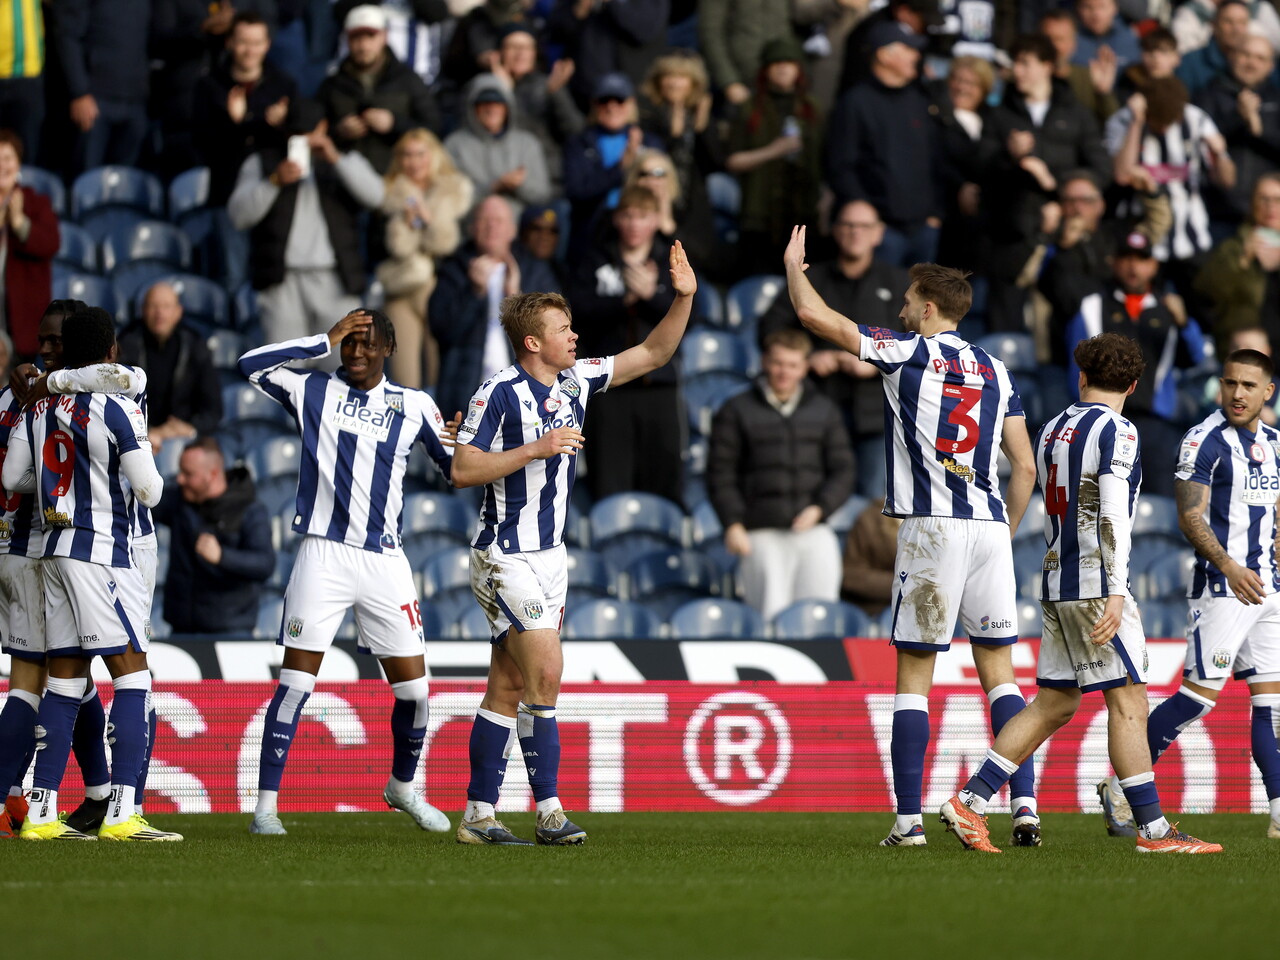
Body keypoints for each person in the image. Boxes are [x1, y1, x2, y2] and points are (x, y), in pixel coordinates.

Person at [783, 225, 1042, 848]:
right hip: (988, 528)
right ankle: (1025, 807)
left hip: (931, 529)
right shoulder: (997, 370)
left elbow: (815, 316)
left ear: (928, 308)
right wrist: (1003, 528)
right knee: (1001, 675)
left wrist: (795, 267)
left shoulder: (906, 352)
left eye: (906, 300)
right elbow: (1026, 466)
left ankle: (908, 824)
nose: (899, 308)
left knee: (914, 676)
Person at [938, 333, 1222, 855]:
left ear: (1082, 377)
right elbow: (1112, 511)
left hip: (1054, 579)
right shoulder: (1120, 431)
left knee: (1054, 703)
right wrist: (1116, 592)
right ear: (1134, 385)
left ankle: (969, 802)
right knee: (1130, 703)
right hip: (1096, 584)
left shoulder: (1052, 429)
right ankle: (1155, 832)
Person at [451, 242, 696, 845]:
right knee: (549, 671)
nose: (574, 336)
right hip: (503, 553)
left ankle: (478, 816)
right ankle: (551, 811)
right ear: (532, 342)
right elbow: (462, 468)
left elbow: (656, 351)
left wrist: (684, 295)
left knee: (507, 686)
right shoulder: (498, 392)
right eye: (562, 329)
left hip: (550, 557)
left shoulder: (578, 380)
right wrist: (534, 448)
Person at [237, 308, 454, 836]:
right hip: (323, 554)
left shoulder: (414, 405)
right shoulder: (312, 388)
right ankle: (265, 808)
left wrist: (487, 440)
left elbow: (457, 468)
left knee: (417, 693)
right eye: (349, 343)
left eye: (366, 344)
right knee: (294, 683)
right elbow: (249, 363)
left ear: (388, 349)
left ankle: (402, 787)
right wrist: (322, 339)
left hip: (385, 561)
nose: (355, 352)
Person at [2, 307, 176, 841]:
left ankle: (41, 812)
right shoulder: (117, 407)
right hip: (102, 552)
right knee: (133, 674)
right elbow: (150, 491)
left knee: (66, 678)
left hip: (48, 550)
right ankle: (123, 813)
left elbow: (13, 477)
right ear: (111, 350)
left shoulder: (33, 408)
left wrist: (65, 481)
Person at [1096, 345, 1280, 839]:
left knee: (1273, 706)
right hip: (1222, 588)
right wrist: (1229, 565)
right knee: (1199, 699)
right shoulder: (1203, 440)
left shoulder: (1276, 444)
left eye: (1248, 385)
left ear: (1268, 391)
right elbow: (1190, 515)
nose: (1237, 393)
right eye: (1229, 383)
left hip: (1269, 590)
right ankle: (1120, 787)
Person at [757, 200, 908, 497]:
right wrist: (807, 358)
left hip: (878, 416)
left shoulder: (900, 282)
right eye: (848, 225)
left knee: (873, 507)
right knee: (815, 499)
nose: (855, 232)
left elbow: (922, 343)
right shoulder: (811, 279)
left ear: (879, 234)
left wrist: (880, 361)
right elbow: (770, 330)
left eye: (864, 226)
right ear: (835, 231)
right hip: (816, 410)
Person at [708, 328, 854, 621]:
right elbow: (720, 473)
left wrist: (820, 508)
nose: (783, 372)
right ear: (764, 362)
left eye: (792, 365)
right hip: (759, 532)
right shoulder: (736, 410)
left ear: (804, 367)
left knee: (819, 615)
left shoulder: (824, 410)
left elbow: (844, 469)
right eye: (777, 363)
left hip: (813, 529)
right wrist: (733, 523)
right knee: (767, 615)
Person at [227, 99, 385, 351]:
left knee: (344, 370)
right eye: (295, 133)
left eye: (308, 132)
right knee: (287, 372)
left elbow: (376, 196)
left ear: (323, 127)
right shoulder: (264, 162)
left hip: (335, 279)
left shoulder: (344, 158)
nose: (303, 139)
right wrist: (274, 182)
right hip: (281, 283)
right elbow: (238, 216)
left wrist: (335, 159)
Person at [981, 33, 1110, 332]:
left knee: (1060, 327)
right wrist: (1010, 157)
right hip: (1011, 236)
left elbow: (1100, 170)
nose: (1018, 70)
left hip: (1067, 240)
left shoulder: (1077, 114)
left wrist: (1056, 188)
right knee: (1007, 329)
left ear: (1047, 66)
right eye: (1015, 63)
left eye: (1026, 63)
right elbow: (981, 169)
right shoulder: (1000, 115)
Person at [1066, 231, 1209, 496]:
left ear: (1154, 265)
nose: (1134, 266)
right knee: (1096, 499)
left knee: (1158, 497)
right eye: (1126, 258)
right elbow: (1076, 365)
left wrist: (1184, 323)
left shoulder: (1169, 309)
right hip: (1100, 419)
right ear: (1114, 262)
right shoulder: (1092, 306)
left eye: (1142, 259)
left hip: (1155, 423)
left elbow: (1196, 359)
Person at [565, 185, 684, 503]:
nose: (634, 224)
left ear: (656, 220)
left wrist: (651, 296)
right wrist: (625, 299)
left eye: (642, 216)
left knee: (662, 478)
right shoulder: (594, 259)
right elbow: (576, 311)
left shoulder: (670, 260)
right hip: (608, 386)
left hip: (659, 386)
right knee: (609, 479)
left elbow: (689, 315)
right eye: (627, 215)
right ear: (617, 219)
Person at [192, 11, 297, 294]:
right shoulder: (209, 85)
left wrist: (277, 123)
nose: (249, 50)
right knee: (232, 277)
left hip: (273, 196)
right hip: (226, 196)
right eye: (242, 42)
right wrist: (240, 123)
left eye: (256, 42)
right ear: (229, 43)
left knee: (275, 281)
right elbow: (202, 144)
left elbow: (297, 140)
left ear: (267, 44)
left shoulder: (283, 85)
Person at [430, 195, 561, 420]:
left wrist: (517, 298)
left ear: (512, 230)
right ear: (472, 228)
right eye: (484, 220)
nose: (491, 226)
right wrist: (474, 293)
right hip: (467, 398)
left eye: (499, 220)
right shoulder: (454, 269)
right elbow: (442, 329)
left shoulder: (534, 271)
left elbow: (555, 331)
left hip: (526, 396)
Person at [1107, 77, 1235, 303]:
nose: (1164, 127)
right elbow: (1122, 175)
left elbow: (1227, 180)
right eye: (1158, 121)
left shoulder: (1197, 119)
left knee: (1203, 305)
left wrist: (1221, 154)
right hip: (1143, 237)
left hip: (1191, 235)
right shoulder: (1124, 120)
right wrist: (1136, 123)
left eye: (1171, 121)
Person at [826, 23, 939, 270]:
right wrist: (869, 221)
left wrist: (935, 214)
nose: (916, 56)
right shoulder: (855, 102)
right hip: (880, 233)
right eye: (908, 49)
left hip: (924, 229)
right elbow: (841, 166)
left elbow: (935, 158)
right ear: (884, 55)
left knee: (921, 307)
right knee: (879, 307)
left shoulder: (919, 99)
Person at [377, 128, 474, 389]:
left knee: (440, 371)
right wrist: (406, 226)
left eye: (420, 153)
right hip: (401, 287)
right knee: (403, 375)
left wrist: (428, 222)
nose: (414, 161)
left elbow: (456, 245)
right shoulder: (388, 195)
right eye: (406, 155)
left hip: (442, 287)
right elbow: (380, 247)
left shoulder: (455, 191)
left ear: (433, 155)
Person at [153, 437, 275, 635]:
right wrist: (141, 458)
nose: (180, 479)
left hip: (231, 631)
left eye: (188, 474)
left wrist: (222, 557)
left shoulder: (249, 509)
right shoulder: (179, 499)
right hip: (181, 629)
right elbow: (142, 501)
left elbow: (264, 563)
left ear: (213, 474)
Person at [725, 37, 824, 278]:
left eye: (789, 62)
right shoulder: (749, 108)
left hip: (803, 212)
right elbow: (732, 161)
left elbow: (826, 160)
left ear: (798, 69)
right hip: (758, 215)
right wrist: (774, 150)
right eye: (776, 62)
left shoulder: (812, 108)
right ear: (765, 69)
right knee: (757, 279)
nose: (782, 68)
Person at [317, 4, 440, 175]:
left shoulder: (407, 80)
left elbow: (433, 128)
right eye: (356, 38)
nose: (363, 45)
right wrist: (339, 132)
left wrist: (395, 124)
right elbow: (316, 133)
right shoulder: (333, 84)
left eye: (370, 36)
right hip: (343, 181)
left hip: (396, 177)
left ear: (384, 36)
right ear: (347, 40)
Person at [562, 72, 663, 258]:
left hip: (640, 229)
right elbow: (576, 191)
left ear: (631, 104)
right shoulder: (579, 143)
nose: (611, 107)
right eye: (604, 101)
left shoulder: (649, 142)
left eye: (619, 100)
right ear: (594, 105)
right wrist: (621, 167)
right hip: (592, 229)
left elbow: (664, 188)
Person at [117, 282, 224, 451]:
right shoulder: (125, 345)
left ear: (178, 312)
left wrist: (191, 429)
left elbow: (213, 409)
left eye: (166, 306)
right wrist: (146, 431)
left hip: (186, 439)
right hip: (137, 438)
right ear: (143, 310)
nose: (159, 313)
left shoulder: (195, 345)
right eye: (153, 306)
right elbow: (116, 403)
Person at [52, 0, 152, 175]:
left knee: (127, 184)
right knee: (86, 180)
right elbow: (67, 35)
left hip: (135, 100)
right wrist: (79, 92)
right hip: (94, 101)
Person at [1194, 32, 1280, 232]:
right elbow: (1198, 142)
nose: (1251, 63)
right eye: (1246, 55)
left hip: (1269, 215)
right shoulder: (1208, 93)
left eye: (1260, 58)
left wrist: (1259, 129)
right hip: (1217, 211)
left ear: (1271, 66)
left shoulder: (1277, 98)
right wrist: (1238, 118)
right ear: (1232, 56)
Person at [444, 73, 552, 218]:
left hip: (518, 225)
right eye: (484, 103)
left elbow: (543, 195)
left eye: (497, 103)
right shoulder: (454, 144)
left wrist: (519, 185)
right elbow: (449, 198)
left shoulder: (527, 143)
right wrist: (493, 187)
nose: (491, 109)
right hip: (472, 225)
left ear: (508, 108)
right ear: (473, 107)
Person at [490, 23, 585, 187]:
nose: (520, 54)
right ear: (500, 52)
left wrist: (557, 94)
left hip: (545, 176)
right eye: (513, 47)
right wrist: (502, 92)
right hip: (498, 174)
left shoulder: (547, 86)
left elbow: (575, 130)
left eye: (526, 48)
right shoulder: (484, 89)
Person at [1196, 172, 1280, 348]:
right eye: (1263, 199)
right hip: (1241, 348)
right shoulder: (1233, 247)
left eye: (1277, 200)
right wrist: (1242, 260)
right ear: (1252, 204)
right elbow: (1207, 292)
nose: (1270, 207)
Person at [0, 130, 59, 362]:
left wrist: (19, 223)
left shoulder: (36, 203)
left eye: (7, 158)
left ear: (18, 164)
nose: (1, 165)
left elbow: (50, 244)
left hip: (22, 322)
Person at [1178, 0, 1254, 96]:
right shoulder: (1189, 63)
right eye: (1228, 22)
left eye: (1242, 22)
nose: (1236, 29)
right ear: (1214, 25)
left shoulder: (1259, 64)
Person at [841, 497, 902, 617]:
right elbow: (851, 576)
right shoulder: (871, 518)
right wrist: (903, 585)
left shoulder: (942, 520)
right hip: (878, 610)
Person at [1071, 0, 1141, 72]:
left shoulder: (1131, 36)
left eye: (1102, 6)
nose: (1096, 14)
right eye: (1088, 7)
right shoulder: (1070, 39)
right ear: (1077, 9)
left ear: (1115, 8)